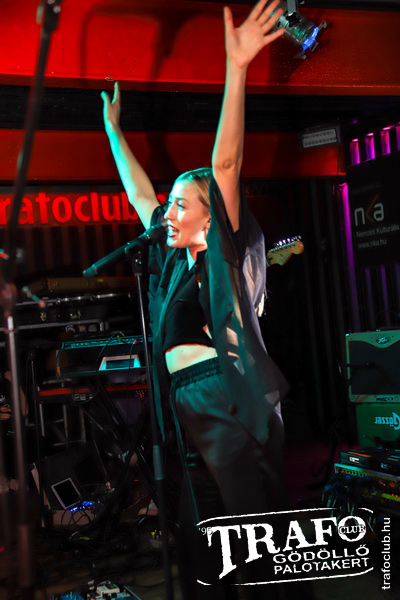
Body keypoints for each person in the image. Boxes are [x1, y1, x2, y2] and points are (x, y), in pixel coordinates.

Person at [101, 2, 295, 598]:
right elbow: (141, 196)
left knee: (250, 546)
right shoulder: (171, 260)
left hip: (226, 398)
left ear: (211, 221)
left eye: (182, 204)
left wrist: (236, 68)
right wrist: (114, 133)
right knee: (200, 549)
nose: (170, 211)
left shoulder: (221, 256)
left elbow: (226, 162)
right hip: (186, 408)